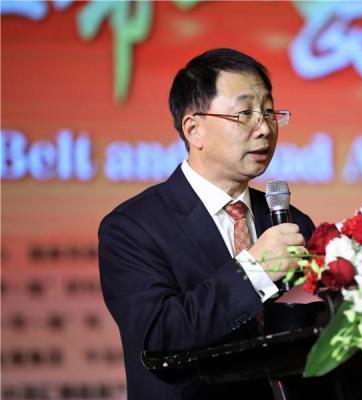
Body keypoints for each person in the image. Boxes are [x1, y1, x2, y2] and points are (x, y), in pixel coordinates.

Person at [98, 48, 316, 399]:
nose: (264, 128)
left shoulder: (291, 222)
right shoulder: (132, 228)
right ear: (193, 129)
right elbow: (159, 335)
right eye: (244, 114)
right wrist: (255, 271)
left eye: (268, 112)